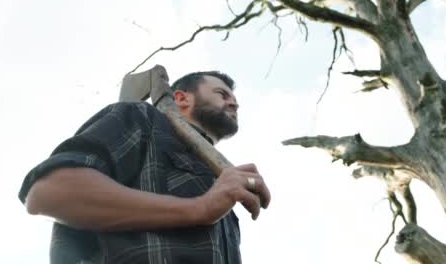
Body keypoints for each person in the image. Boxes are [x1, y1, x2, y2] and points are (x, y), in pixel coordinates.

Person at [18, 71, 271, 264]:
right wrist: (201, 208)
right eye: (221, 94)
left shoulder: (222, 188)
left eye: (234, 99)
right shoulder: (144, 119)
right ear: (181, 98)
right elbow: (50, 192)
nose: (233, 103)